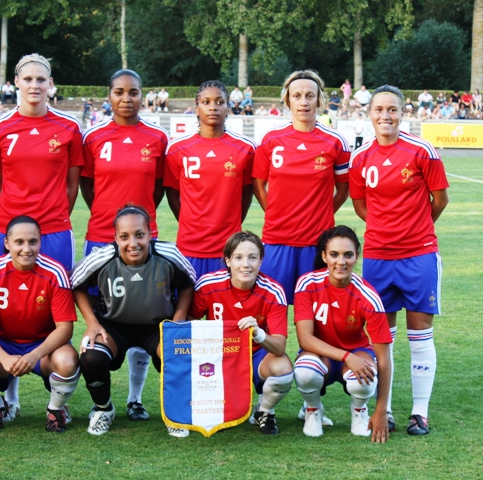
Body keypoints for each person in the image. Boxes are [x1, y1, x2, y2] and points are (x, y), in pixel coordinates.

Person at [0, 53, 82, 418]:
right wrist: (14, 224)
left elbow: (72, 185)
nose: (35, 86)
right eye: (28, 79)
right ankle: (10, 395)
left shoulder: (69, 128)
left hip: (55, 230)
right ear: (16, 83)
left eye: (42, 80)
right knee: (8, 310)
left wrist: (52, 216)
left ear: (50, 84)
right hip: (8, 231)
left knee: (54, 310)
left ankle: (57, 398)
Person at [349, 84, 449, 435]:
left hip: (419, 256)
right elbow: (361, 206)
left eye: (392, 109)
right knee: (382, 336)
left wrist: (416, 229)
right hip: (378, 258)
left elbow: (440, 199)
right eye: (379, 110)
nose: (385, 116)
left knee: (420, 334)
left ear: (403, 112)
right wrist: (385, 230)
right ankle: (386, 409)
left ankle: (419, 413)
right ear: (369, 113)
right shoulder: (360, 159)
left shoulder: (422, 151)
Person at [81, 69, 169, 422]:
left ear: (142, 95)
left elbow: (160, 188)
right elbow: (88, 188)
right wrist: (108, 218)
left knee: (146, 312)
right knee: (104, 314)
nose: (126, 98)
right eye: (119, 92)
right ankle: (101, 400)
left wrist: (139, 227)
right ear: (110, 95)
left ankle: (135, 399)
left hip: (143, 239)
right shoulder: (93, 138)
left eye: (133, 92)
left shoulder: (157, 138)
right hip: (101, 236)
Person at [71, 205, 196, 437]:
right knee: (91, 357)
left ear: (150, 234)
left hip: (157, 326)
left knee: (179, 354)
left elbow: (188, 283)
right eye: (124, 237)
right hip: (113, 326)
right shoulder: (102, 258)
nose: (133, 243)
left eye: (139, 234)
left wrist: (178, 321)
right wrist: (92, 322)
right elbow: (74, 285)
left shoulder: (168, 255)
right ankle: (103, 408)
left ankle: (175, 413)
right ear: (115, 238)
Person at [0, 216, 79, 432]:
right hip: (5, 343)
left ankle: (56, 409)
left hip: (43, 346)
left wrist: (34, 355)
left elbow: (65, 328)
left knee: (68, 361)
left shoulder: (55, 272)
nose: (26, 249)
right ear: (7, 243)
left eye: (32, 241)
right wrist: (4, 358)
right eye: (19, 242)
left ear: (40, 242)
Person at [252, 69, 350, 305]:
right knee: (270, 308)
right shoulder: (271, 140)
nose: (303, 102)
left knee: (316, 312)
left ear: (319, 99)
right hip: (277, 240)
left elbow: (344, 190)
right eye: (297, 96)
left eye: (309, 95)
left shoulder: (335, 142)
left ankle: (307, 345)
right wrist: (274, 211)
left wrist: (322, 213)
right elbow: (258, 184)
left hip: (317, 242)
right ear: (287, 100)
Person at [293, 225, 392, 443]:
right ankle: (312, 409)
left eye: (348, 255)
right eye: (334, 255)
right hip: (321, 354)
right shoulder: (307, 284)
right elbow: (305, 339)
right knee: (305, 372)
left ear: (357, 256)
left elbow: (384, 358)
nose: (341, 262)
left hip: (357, 352)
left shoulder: (368, 295)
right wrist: (347, 357)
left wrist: (382, 410)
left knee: (366, 376)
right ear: (324, 256)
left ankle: (360, 410)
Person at [190, 231, 292, 435]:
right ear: (227, 260)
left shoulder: (273, 291)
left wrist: (258, 334)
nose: (246, 264)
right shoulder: (208, 285)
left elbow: (279, 347)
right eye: (238, 257)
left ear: (261, 260)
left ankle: (264, 410)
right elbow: (188, 322)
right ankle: (209, 402)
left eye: (252, 257)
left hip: (255, 354)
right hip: (219, 355)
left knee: (283, 370)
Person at [165, 80, 255, 279]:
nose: (213, 107)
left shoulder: (245, 148)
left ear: (228, 108)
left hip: (228, 248)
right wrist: (189, 223)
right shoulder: (177, 148)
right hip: (189, 246)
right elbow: (172, 194)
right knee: (188, 308)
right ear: (196, 108)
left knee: (225, 309)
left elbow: (247, 194)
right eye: (206, 102)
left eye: (220, 102)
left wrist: (232, 222)